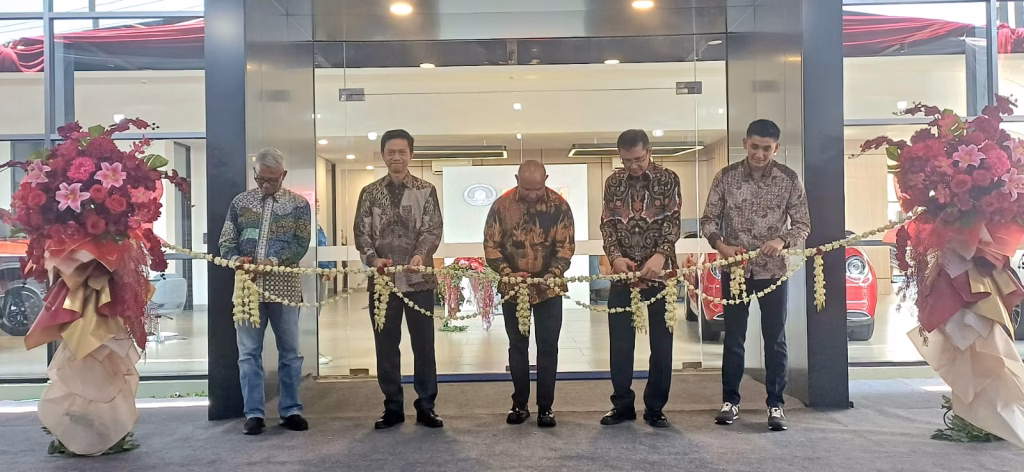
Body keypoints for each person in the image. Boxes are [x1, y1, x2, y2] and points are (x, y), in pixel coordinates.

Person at [700, 119, 810, 432]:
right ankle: (730, 402)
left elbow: (803, 225)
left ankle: (776, 404)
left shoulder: (789, 179)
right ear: (745, 143)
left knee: (774, 338)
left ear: (776, 148)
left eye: (766, 148)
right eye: (755, 147)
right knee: (734, 337)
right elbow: (708, 220)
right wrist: (720, 245)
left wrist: (782, 240)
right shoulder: (726, 177)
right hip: (735, 270)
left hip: (772, 272)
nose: (759, 154)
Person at [353, 129, 444, 430]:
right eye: (390, 152)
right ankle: (392, 406)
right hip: (383, 282)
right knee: (386, 345)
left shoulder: (426, 190)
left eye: (402, 152)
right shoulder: (369, 192)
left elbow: (432, 229)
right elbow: (361, 232)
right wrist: (372, 259)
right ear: (383, 155)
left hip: (419, 281)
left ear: (411, 155)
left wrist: (420, 255)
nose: (396, 157)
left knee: (424, 345)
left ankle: (426, 406)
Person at [219, 147, 311, 436]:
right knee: (248, 353)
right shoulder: (240, 202)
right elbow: (226, 241)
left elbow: (300, 244)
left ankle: (291, 410)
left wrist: (273, 262)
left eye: (272, 179)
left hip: (285, 288)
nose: (266, 185)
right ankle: (254, 413)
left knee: (290, 352)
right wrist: (236, 260)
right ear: (255, 173)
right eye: (261, 179)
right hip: (248, 291)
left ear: (284, 175)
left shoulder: (298, 204)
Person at [483, 160, 575, 428]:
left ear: (546, 178)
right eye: (527, 189)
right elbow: (491, 245)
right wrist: (506, 271)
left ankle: (546, 407)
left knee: (548, 347)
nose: (533, 194)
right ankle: (519, 404)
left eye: (537, 188)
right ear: (516, 179)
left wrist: (554, 272)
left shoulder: (559, 206)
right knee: (517, 346)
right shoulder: (501, 206)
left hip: (549, 288)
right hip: (514, 288)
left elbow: (566, 246)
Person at [599, 129, 681, 428]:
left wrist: (660, 255)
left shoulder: (668, 179)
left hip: (660, 273)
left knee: (661, 346)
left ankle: (655, 407)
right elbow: (607, 224)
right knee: (620, 344)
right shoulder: (613, 182)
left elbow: (673, 221)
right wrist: (614, 258)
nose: (633, 166)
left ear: (649, 151)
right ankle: (622, 405)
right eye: (627, 160)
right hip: (623, 274)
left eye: (638, 159)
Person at [316, 201, 335, 366]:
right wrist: (324, 267)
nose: (318, 205)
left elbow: (325, 248)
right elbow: (316, 250)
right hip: (314, 274)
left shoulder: (318, 226)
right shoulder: (308, 226)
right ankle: (310, 352)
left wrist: (330, 267)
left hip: (322, 274)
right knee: (311, 314)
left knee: (317, 313)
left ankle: (314, 350)